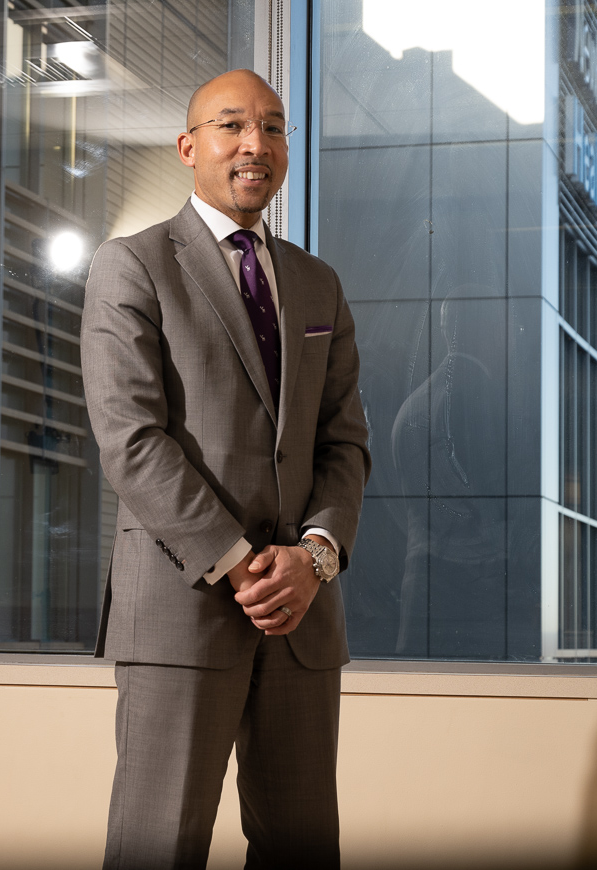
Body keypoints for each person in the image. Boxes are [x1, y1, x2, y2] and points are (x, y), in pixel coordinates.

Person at [81, 69, 371, 869]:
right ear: (187, 146)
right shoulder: (131, 265)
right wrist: (242, 564)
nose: (255, 143)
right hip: (183, 606)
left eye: (273, 127)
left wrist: (313, 558)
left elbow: (344, 442)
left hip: (301, 614)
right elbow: (130, 438)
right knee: (157, 846)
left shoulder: (317, 283)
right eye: (232, 125)